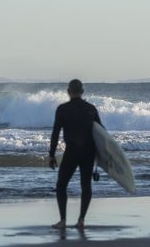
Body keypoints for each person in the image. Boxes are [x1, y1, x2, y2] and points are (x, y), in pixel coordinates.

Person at [48, 79, 102, 230]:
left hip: (72, 151)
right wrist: (102, 156)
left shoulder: (62, 109)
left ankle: (63, 220)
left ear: (68, 91)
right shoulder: (91, 109)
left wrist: (52, 155)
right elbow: (102, 134)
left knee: (61, 185)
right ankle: (81, 220)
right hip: (88, 152)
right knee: (86, 185)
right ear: (82, 91)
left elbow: (55, 133)